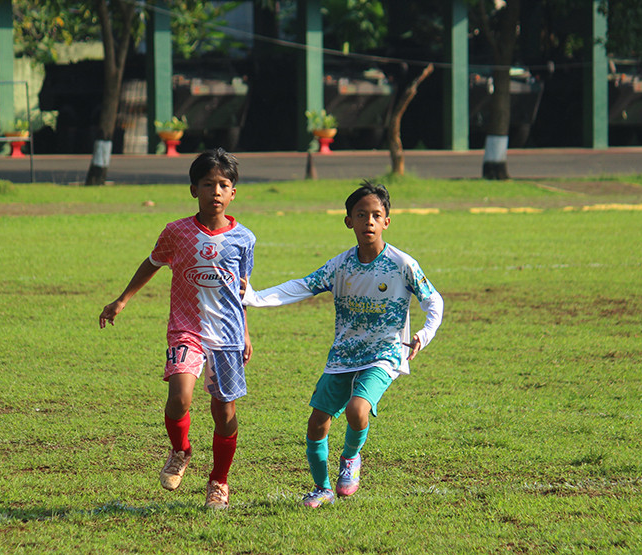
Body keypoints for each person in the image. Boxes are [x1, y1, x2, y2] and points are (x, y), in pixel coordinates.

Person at [243, 181, 443, 508]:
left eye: (376, 215)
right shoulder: (341, 266)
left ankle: (351, 457)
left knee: (356, 409)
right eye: (361, 215)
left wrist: (424, 333)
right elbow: (302, 286)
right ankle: (321, 488)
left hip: (385, 354)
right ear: (348, 220)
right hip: (343, 356)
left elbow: (433, 301)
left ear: (387, 222)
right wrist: (254, 297)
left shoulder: (403, 264)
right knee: (317, 422)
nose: (369, 222)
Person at [99, 148, 254, 510]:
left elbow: (242, 290)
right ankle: (181, 450)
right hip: (186, 330)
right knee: (179, 397)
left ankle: (219, 481)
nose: (215, 191)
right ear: (193, 189)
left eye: (223, 185)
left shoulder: (244, 239)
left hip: (228, 334)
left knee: (224, 413)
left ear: (233, 193)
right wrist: (122, 300)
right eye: (207, 184)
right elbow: (152, 263)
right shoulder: (177, 232)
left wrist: (245, 331)